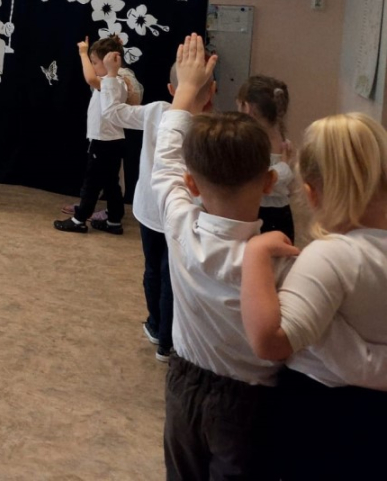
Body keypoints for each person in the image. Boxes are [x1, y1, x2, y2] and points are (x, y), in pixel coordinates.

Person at [152, 34, 286, 479]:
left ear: (192, 184)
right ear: (269, 182)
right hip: (250, 405)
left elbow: (166, 162)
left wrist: (187, 91)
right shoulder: (282, 264)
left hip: (183, 386)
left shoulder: (180, 226)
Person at [240, 112, 387, 479]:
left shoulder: (331, 256)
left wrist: (255, 254)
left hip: (321, 416)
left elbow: (270, 342)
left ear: (312, 193)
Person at [100, 53, 215, 361]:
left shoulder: (158, 111)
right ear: (213, 92)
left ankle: (157, 327)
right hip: (186, 217)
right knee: (173, 276)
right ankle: (166, 339)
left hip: (152, 212)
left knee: (154, 270)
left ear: (171, 89)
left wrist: (111, 74)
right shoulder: (214, 129)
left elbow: (112, 113)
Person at [53, 35, 136, 234]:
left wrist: (83, 53)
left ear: (108, 62)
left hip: (103, 140)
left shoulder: (111, 82)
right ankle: (114, 221)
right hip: (112, 141)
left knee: (92, 182)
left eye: (95, 62)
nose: (92, 66)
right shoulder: (116, 82)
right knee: (111, 183)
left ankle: (79, 219)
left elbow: (90, 78)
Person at [236, 75, 297, 240]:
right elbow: (289, 188)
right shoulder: (285, 143)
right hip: (282, 215)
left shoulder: (248, 144)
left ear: (246, 107)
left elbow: (257, 182)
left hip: (255, 214)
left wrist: (283, 170)